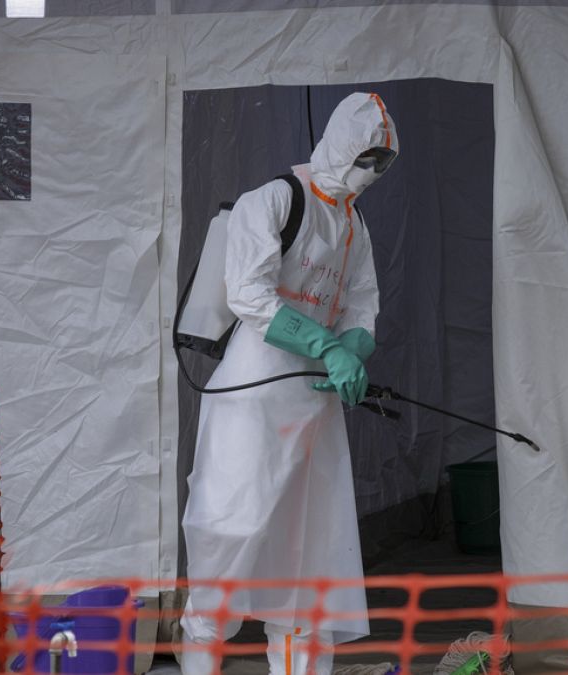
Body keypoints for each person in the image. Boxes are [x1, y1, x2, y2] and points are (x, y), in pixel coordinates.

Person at [180, 92, 399, 675]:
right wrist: (326, 345)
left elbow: (361, 306)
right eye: (367, 156)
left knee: (311, 556)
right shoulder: (275, 199)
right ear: (339, 144)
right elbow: (247, 293)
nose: (371, 172)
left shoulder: (355, 223)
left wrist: (352, 346)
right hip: (252, 398)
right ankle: (202, 656)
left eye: (383, 162)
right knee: (229, 532)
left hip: (315, 407)